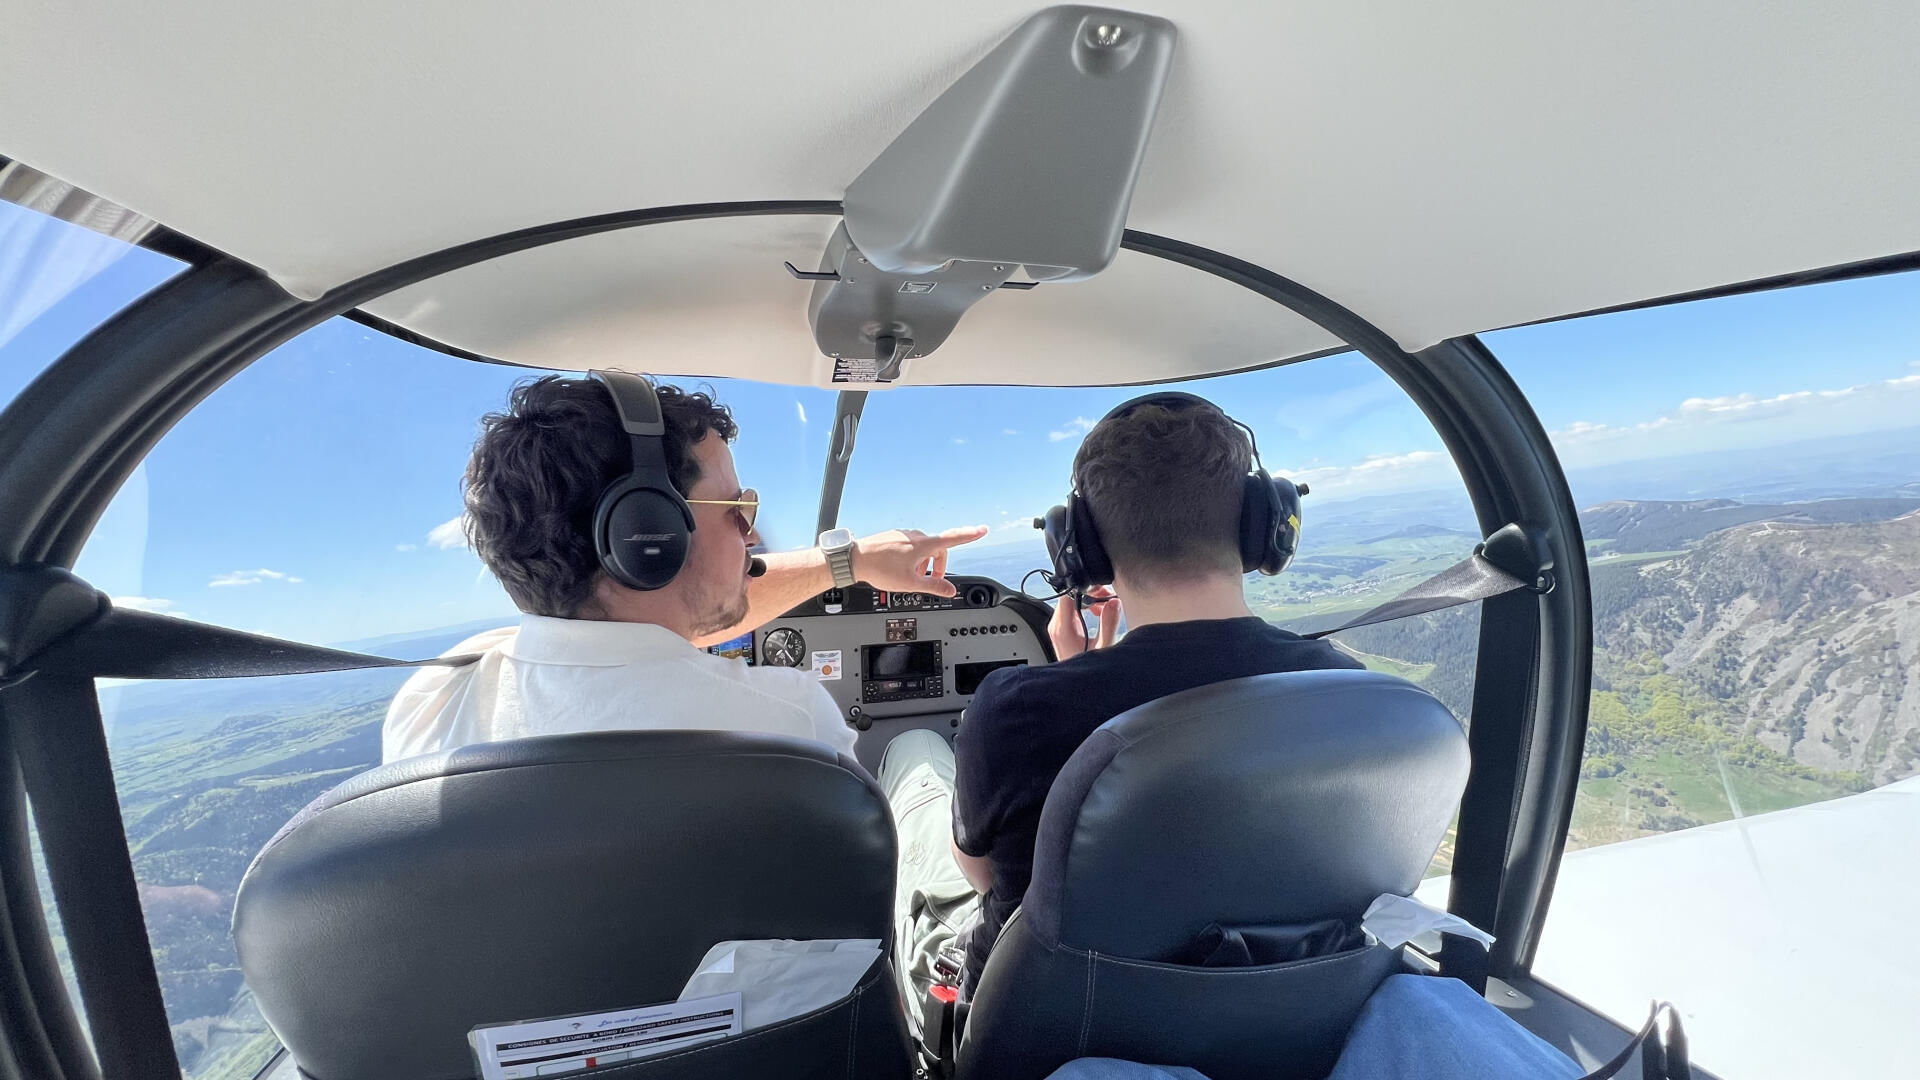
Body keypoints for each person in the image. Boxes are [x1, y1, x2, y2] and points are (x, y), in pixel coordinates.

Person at [879, 393, 1364, 1023]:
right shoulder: (1343, 689)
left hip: (1043, 1026)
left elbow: (982, 877)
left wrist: (1062, 685)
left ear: (1078, 549)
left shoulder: (1017, 708)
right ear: (1264, 524)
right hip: (1277, 1018)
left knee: (915, 759)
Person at [383, 373, 984, 762]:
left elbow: (636, 639)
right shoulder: (790, 725)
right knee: (915, 752)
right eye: (738, 508)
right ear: (651, 535)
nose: (752, 537)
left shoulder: (433, 702)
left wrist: (846, 564)